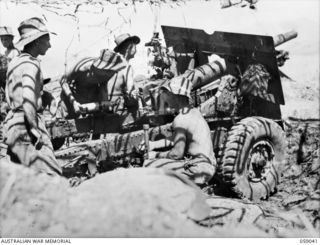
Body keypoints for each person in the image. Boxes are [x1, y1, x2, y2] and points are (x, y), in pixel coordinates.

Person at [3, 17, 62, 176]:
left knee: (21, 182)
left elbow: (15, 94)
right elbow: (27, 98)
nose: (49, 45)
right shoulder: (32, 64)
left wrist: (46, 96)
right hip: (27, 126)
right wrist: (35, 130)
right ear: (36, 42)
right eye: (47, 40)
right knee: (53, 179)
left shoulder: (15, 63)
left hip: (12, 125)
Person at [60, 33, 141, 125]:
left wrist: (105, 105)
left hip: (91, 95)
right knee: (67, 123)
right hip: (73, 94)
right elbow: (63, 81)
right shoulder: (83, 66)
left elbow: (103, 90)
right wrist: (73, 101)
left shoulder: (110, 71)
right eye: (107, 72)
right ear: (98, 68)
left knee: (97, 122)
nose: (109, 74)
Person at [142, 88, 217, 186]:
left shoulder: (180, 119)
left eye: (167, 94)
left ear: (176, 96)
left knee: (148, 165)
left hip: (197, 169)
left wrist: (155, 155)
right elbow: (175, 139)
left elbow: (176, 154)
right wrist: (153, 144)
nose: (165, 98)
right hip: (208, 166)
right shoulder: (194, 112)